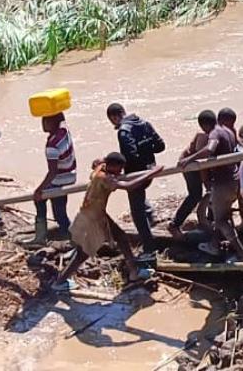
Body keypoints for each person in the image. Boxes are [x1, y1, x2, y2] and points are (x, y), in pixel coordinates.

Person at [51, 153, 160, 292]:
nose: (120, 172)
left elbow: (96, 162)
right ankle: (60, 282)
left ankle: (134, 272)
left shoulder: (100, 167)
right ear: (111, 166)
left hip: (91, 211)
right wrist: (152, 173)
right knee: (84, 252)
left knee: (121, 238)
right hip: (94, 217)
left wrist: (105, 161)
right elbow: (129, 186)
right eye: (119, 169)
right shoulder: (104, 178)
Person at [179, 110, 243, 262]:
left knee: (220, 221)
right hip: (234, 180)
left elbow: (210, 148)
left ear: (204, 125)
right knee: (224, 215)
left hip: (222, 183)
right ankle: (214, 245)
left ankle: (242, 254)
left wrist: (189, 159)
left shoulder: (215, 133)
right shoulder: (229, 132)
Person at [106, 103, 165, 255]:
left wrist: (115, 169)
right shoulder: (144, 123)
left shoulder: (124, 131)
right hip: (151, 168)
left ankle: (149, 247)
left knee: (137, 213)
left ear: (114, 117)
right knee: (140, 200)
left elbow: (130, 156)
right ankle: (150, 215)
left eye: (112, 120)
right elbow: (160, 146)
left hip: (136, 175)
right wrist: (145, 149)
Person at [28, 113, 77, 245]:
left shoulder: (52, 145)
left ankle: (41, 237)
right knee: (59, 207)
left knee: (39, 200)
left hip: (60, 179)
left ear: (54, 122)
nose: (43, 123)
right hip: (71, 175)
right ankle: (67, 231)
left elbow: (52, 172)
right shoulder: (65, 131)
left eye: (46, 120)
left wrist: (39, 190)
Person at [168, 111, 212, 240]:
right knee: (195, 195)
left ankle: (209, 220)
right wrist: (206, 183)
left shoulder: (215, 133)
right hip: (189, 166)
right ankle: (174, 224)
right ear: (204, 126)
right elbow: (201, 164)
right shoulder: (203, 136)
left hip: (198, 165)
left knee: (212, 189)